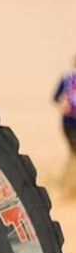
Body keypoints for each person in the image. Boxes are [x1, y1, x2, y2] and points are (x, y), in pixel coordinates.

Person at [52, 59, 76, 197]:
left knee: (73, 154)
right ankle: (65, 186)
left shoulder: (68, 79)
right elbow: (55, 98)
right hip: (69, 122)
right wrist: (64, 105)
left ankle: (67, 186)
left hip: (68, 122)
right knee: (74, 153)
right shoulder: (68, 79)